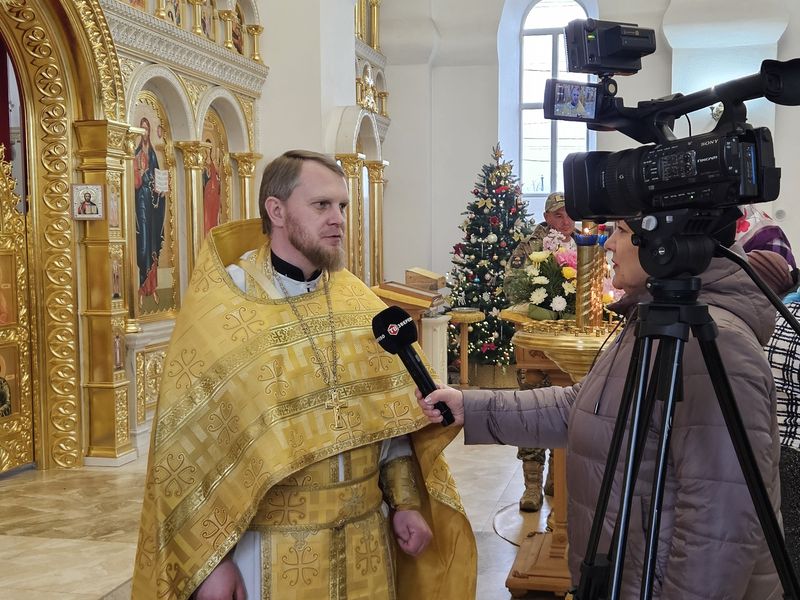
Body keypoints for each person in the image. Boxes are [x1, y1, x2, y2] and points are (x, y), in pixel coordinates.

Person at [132, 150, 476, 600]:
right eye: (321, 205)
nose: (338, 219)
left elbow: (387, 422)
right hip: (269, 548)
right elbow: (192, 446)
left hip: (366, 543)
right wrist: (211, 563)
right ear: (276, 211)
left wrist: (406, 503)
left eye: (342, 206)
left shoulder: (357, 302)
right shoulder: (228, 302)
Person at [420, 218, 782, 598]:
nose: (608, 244)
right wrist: (471, 407)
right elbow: (581, 407)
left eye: (622, 231)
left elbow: (718, 534)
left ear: (664, 240)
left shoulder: (714, 345)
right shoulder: (659, 320)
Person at [507, 191, 578, 512]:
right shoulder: (529, 247)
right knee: (532, 410)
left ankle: (556, 476)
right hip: (535, 345)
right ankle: (532, 485)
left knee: (567, 409)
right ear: (547, 217)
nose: (566, 222)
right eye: (559, 215)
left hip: (573, 345)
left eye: (570, 215)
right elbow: (512, 287)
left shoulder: (586, 244)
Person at [134, 116, 166, 307]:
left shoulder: (152, 154)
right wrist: (139, 175)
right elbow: (133, 181)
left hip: (153, 204)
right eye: (142, 128)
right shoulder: (136, 154)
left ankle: (152, 287)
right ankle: (141, 285)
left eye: (147, 128)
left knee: (152, 241)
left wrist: (161, 188)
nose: (145, 132)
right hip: (141, 202)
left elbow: (158, 177)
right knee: (143, 243)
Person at [202, 140, 222, 236]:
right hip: (207, 195)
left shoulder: (214, 164)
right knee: (207, 216)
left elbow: (220, 176)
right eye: (206, 148)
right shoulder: (202, 164)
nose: (208, 151)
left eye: (210, 149)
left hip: (214, 196)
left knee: (214, 216)